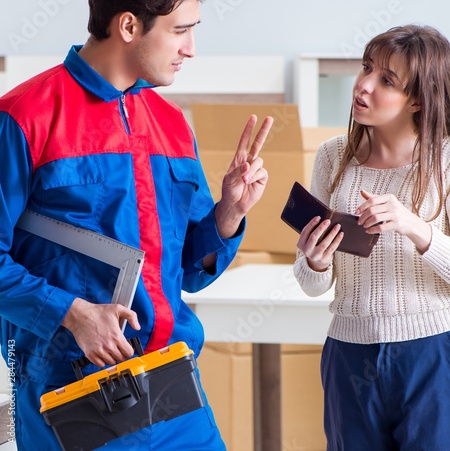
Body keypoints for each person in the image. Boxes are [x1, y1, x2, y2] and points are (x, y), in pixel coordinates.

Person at [0, 0, 273, 449]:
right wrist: (72, 314)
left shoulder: (171, 125)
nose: (191, 49)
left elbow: (185, 270)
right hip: (71, 389)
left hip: (173, 386)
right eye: (181, 30)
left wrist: (229, 213)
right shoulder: (25, 117)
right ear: (128, 25)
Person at [293, 24, 450, 450]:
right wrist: (314, 261)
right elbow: (312, 285)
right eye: (366, 68)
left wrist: (414, 227)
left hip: (435, 355)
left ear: (418, 99)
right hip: (348, 353)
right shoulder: (333, 157)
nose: (363, 86)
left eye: (386, 80)